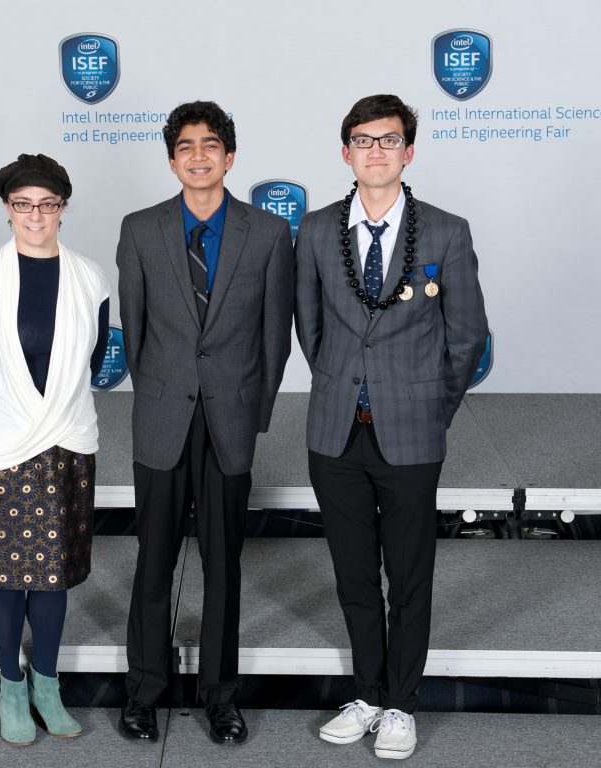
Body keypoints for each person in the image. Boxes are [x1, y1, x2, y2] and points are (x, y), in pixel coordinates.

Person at [295, 95, 488, 760]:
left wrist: (432, 408)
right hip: (336, 432)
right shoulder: (315, 230)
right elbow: (310, 328)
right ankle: (368, 695)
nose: (375, 151)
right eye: (363, 140)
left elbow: (467, 336)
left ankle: (402, 703)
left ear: (408, 151)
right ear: (345, 151)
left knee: (409, 577)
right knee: (354, 577)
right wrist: (344, 384)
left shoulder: (446, 232)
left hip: (412, 431)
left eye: (388, 140)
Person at [116, 100, 294, 744]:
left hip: (229, 421)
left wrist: (253, 415)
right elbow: (134, 331)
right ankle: (145, 692)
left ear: (230, 157)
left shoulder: (268, 233)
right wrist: (159, 395)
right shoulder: (140, 229)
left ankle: (221, 697)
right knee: (153, 563)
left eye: (211, 145)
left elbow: (275, 338)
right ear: (172, 161)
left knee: (223, 567)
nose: (199, 156)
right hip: (162, 418)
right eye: (186, 146)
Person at [0, 153, 109, 746]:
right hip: (6, 448)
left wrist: (45, 411)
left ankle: (47, 685)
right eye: (23, 204)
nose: (36, 215)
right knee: (8, 577)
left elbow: (88, 362)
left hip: (69, 440)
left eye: (47, 204)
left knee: (54, 576)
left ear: (63, 208)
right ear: (7, 209)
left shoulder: (90, 277)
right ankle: (12, 685)